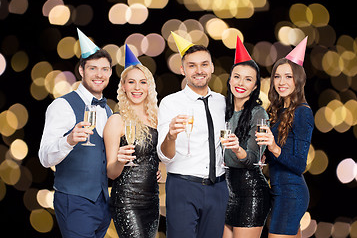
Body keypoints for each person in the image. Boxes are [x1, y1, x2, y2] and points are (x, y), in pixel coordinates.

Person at [38, 28, 113, 237]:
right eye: (93, 68)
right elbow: (44, 157)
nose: (99, 74)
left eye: (105, 69)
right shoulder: (61, 106)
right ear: (81, 70)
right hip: (74, 201)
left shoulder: (107, 110)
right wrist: (69, 140)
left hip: (103, 205)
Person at [157, 32, 229, 238]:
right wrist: (170, 136)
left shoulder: (223, 103)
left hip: (218, 187)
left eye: (204, 64)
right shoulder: (170, 103)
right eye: (192, 65)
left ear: (212, 68)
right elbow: (164, 156)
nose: (199, 70)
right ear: (182, 70)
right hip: (183, 187)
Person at [256, 37, 314, 238]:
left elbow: (299, 164)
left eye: (288, 77)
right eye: (277, 76)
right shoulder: (279, 112)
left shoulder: (303, 112)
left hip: (292, 194)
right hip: (278, 191)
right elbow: (280, 157)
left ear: (298, 80)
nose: (281, 82)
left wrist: (273, 148)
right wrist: (265, 156)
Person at [103, 44, 160, 238]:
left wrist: (159, 168)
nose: (137, 88)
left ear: (149, 86)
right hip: (127, 201)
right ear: (124, 87)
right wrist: (119, 160)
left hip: (152, 201)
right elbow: (111, 172)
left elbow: (160, 156)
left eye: (142, 82)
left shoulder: (157, 119)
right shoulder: (116, 121)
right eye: (131, 82)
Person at [222, 36, 271, 238]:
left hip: (251, 192)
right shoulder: (221, 109)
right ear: (230, 79)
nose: (241, 83)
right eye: (237, 77)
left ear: (254, 86)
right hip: (226, 192)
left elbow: (253, 160)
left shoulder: (258, 114)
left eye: (248, 79)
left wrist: (237, 148)